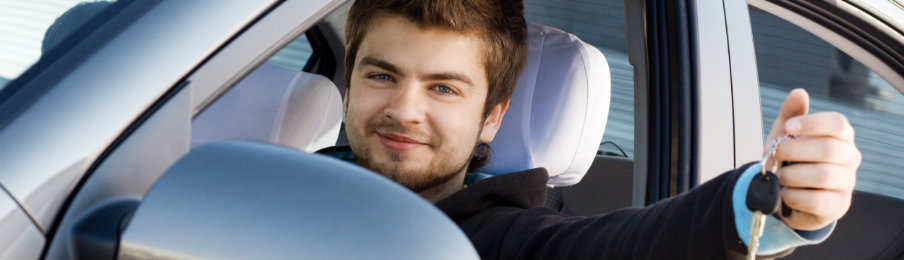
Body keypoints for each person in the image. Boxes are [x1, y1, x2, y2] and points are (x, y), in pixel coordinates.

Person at [318, 0, 861, 258]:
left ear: (492, 118)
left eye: (443, 88)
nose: (405, 110)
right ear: (349, 85)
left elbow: (625, 250)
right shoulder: (282, 179)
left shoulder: (506, 243)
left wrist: (764, 203)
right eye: (383, 76)